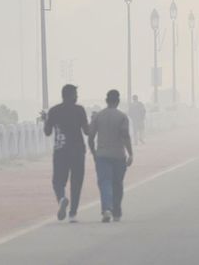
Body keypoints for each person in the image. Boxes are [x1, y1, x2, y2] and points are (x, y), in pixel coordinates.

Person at [43, 84, 89, 223]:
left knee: (58, 180)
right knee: (76, 182)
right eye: (75, 94)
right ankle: (73, 214)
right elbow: (87, 131)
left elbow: (47, 132)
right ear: (70, 95)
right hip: (77, 151)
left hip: (60, 150)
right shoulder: (79, 110)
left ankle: (62, 198)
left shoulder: (54, 111)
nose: (77, 97)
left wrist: (46, 120)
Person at [88, 90, 133, 223]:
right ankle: (117, 212)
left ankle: (107, 209)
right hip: (119, 155)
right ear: (118, 101)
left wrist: (93, 152)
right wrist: (130, 153)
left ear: (106, 100)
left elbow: (90, 137)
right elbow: (125, 135)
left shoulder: (98, 116)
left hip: (102, 155)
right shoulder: (122, 116)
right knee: (117, 184)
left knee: (105, 183)